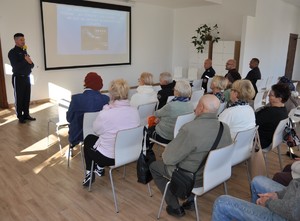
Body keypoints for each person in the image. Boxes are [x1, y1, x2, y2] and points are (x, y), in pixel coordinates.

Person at [150, 94, 232, 218]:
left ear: (201, 107)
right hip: (212, 174)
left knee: (154, 166)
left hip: (191, 179)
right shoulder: (224, 128)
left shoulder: (190, 129)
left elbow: (168, 158)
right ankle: (190, 200)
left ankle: (174, 206)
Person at [82, 79, 140, 186]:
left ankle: (89, 173)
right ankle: (99, 169)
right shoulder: (135, 111)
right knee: (103, 139)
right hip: (129, 154)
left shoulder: (106, 114)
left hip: (109, 158)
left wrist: (105, 110)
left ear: (111, 95)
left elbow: (96, 130)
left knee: (89, 139)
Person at [212, 176, 300, 221]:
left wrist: (268, 202)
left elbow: (294, 211)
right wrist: (277, 194)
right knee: (257, 181)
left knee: (221, 202)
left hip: (286, 216)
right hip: (291, 200)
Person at [66, 72, 109, 149]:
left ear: (85, 83)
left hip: (79, 135)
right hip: (100, 133)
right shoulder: (105, 99)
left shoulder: (76, 99)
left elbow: (69, 118)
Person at [147, 80, 194, 145]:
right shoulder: (191, 105)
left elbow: (156, 113)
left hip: (165, 136)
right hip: (179, 136)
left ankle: (148, 152)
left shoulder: (171, 105)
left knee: (146, 130)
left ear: (177, 92)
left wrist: (159, 118)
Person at [8, 33, 35, 123]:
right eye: (21, 40)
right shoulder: (12, 52)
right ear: (16, 41)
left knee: (26, 97)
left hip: (27, 77)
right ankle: (20, 116)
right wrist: (25, 60)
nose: (23, 41)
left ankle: (26, 114)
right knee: (19, 97)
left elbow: (32, 65)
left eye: (24, 40)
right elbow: (16, 67)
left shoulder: (24, 51)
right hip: (18, 78)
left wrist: (30, 62)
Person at [256, 83, 290, 149]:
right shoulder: (284, 110)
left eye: (271, 95)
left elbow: (253, 123)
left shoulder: (270, 112)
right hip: (269, 140)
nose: (268, 95)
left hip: (260, 142)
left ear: (279, 99)